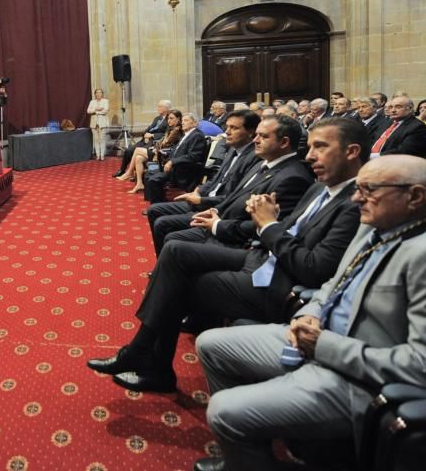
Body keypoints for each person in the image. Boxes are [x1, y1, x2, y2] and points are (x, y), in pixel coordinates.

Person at [195, 156, 426, 471]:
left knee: (225, 410)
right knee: (211, 344)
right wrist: (311, 312)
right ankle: (251, 453)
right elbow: (334, 283)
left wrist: (323, 345)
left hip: (361, 381)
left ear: (415, 196)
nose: (356, 198)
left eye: (369, 189)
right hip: (321, 339)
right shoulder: (375, 227)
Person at [87, 118, 365, 395]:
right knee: (175, 253)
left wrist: (267, 225)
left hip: (280, 283)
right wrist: (254, 223)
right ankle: (147, 358)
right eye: (311, 146)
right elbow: (283, 226)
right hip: (262, 257)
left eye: (320, 147)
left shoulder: (355, 203)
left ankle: (146, 358)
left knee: (178, 279)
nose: (309, 155)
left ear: (352, 151)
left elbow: (312, 268)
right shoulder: (319, 188)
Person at [152, 116, 314, 258]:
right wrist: (212, 207)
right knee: (167, 232)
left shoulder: (290, 176)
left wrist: (214, 217)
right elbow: (232, 192)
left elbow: (269, 224)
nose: (256, 140)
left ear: (284, 142)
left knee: (171, 240)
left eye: (262, 136)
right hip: (221, 215)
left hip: (238, 237)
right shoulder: (262, 162)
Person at [146, 110, 261, 251]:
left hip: (216, 207)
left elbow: (234, 197)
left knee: (163, 224)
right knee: (154, 210)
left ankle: (167, 265)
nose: (227, 132)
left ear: (250, 132)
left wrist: (201, 201)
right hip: (204, 198)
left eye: (234, 128)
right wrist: (199, 190)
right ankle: (165, 263)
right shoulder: (233, 150)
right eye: (227, 127)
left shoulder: (254, 158)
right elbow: (216, 179)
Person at [142, 113, 209, 203]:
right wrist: (165, 153)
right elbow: (177, 150)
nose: (183, 123)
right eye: (182, 121)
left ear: (195, 123)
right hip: (176, 167)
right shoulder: (187, 134)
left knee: (154, 179)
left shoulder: (197, 136)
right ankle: (159, 201)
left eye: (186, 120)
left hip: (184, 170)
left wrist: (172, 162)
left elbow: (193, 156)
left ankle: (156, 205)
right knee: (148, 174)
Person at [117, 110, 182, 193]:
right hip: (158, 150)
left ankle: (129, 172)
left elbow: (166, 144)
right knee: (138, 158)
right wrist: (155, 147)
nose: (169, 120)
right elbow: (161, 141)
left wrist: (156, 148)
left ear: (178, 119)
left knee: (137, 150)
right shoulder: (171, 128)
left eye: (171, 118)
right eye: (168, 118)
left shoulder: (176, 130)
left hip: (163, 155)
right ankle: (139, 184)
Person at [112, 100, 171, 178]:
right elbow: (149, 128)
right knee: (128, 150)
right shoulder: (157, 118)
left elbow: (165, 134)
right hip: (145, 140)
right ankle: (122, 170)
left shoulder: (169, 119)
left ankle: (133, 174)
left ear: (166, 108)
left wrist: (152, 135)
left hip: (154, 142)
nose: (157, 108)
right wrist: (146, 134)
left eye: (160, 107)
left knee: (138, 154)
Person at [86, 87, 109, 160]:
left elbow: (105, 110)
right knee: (96, 139)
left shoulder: (105, 101)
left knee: (102, 139)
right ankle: (97, 155)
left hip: (102, 123)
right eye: (97, 93)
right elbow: (88, 111)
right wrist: (96, 109)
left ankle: (102, 155)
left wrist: (95, 112)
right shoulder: (92, 102)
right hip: (94, 123)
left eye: (100, 92)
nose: (99, 94)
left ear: (102, 94)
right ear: (95, 94)